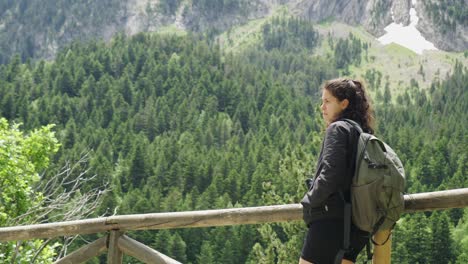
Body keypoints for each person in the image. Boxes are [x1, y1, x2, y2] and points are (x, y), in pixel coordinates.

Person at [299, 78, 374, 264]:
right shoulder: (361, 133)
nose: (322, 107)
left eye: (327, 101)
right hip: (356, 226)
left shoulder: (338, 129)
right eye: (322, 101)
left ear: (344, 104)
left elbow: (330, 175)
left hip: (329, 223)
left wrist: (308, 202)